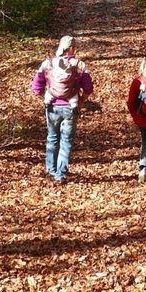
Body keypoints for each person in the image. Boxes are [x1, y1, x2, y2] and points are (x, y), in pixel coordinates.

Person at [32, 35, 93, 183]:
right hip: (70, 107)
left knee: (52, 138)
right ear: (72, 48)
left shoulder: (48, 63)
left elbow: (36, 86)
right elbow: (88, 88)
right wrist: (81, 101)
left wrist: (45, 97)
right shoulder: (79, 65)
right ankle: (61, 174)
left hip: (52, 106)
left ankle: (51, 170)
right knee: (66, 141)